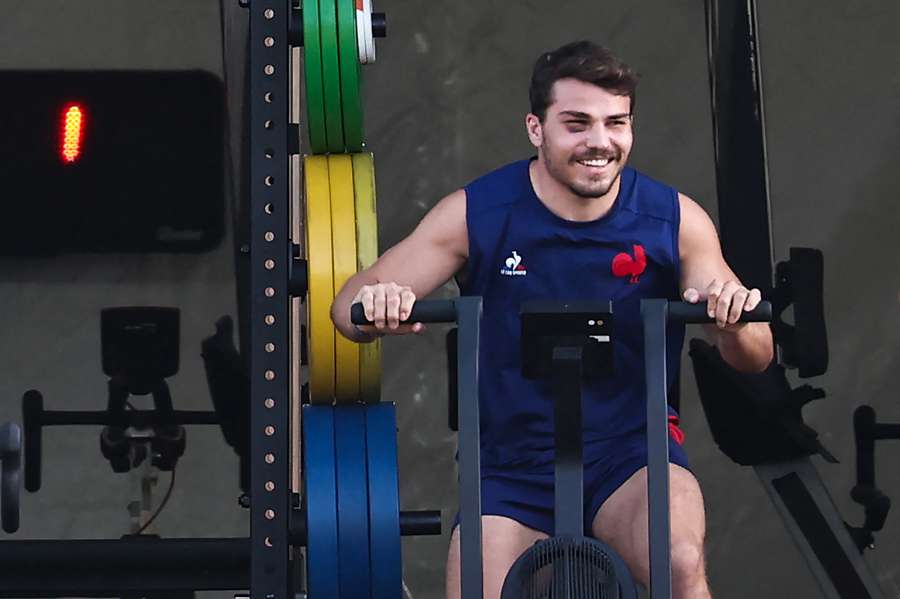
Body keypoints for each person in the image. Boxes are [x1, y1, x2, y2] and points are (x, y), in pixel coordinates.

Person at [331, 40, 774, 599]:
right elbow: (347, 308)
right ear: (536, 129)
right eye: (577, 123)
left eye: (616, 123)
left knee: (680, 566)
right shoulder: (478, 212)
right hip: (513, 467)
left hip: (632, 455)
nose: (600, 142)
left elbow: (757, 356)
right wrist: (382, 305)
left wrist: (731, 318)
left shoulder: (674, 219)